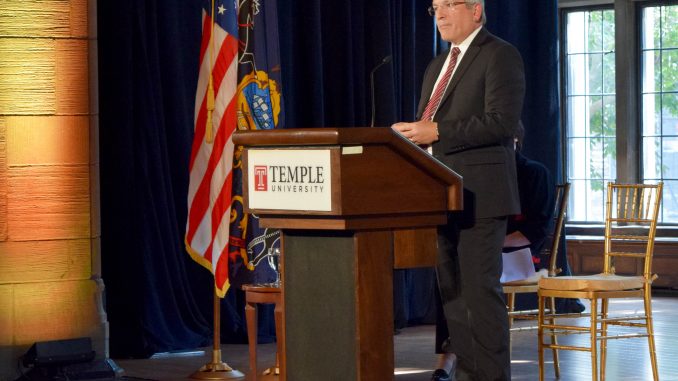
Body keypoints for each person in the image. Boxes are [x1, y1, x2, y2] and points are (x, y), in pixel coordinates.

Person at [391, 1, 525, 380]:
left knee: (480, 296)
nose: (441, 15)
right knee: (453, 299)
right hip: (438, 196)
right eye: (435, 7)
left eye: (450, 4)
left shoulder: (499, 54)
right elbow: (427, 125)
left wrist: (437, 132)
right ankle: (467, 374)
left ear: (477, 10)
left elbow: (502, 123)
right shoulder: (437, 66)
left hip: (481, 196)